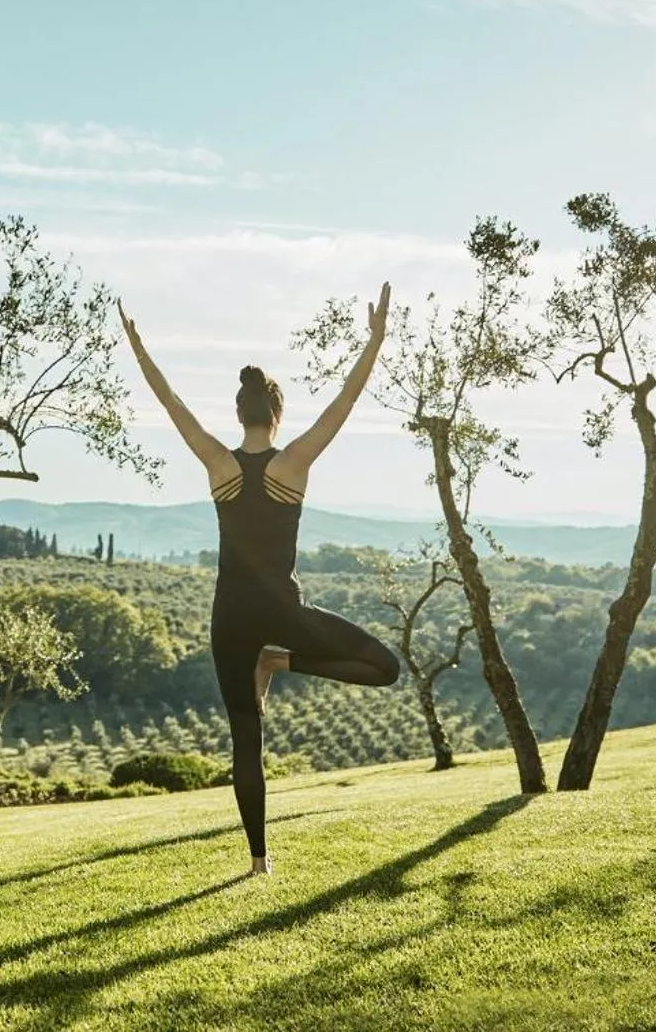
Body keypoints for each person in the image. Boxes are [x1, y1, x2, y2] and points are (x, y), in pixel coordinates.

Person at [118, 289, 401, 877]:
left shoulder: (219, 467)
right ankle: (281, 662)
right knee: (385, 668)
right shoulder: (291, 464)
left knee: (246, 742)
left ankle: (258, 864)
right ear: (276, 415)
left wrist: (139, 347)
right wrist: (374, 340)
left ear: (239, 414)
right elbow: (345, 403)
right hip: (282, 615)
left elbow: (170, 405)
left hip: (229, 619)